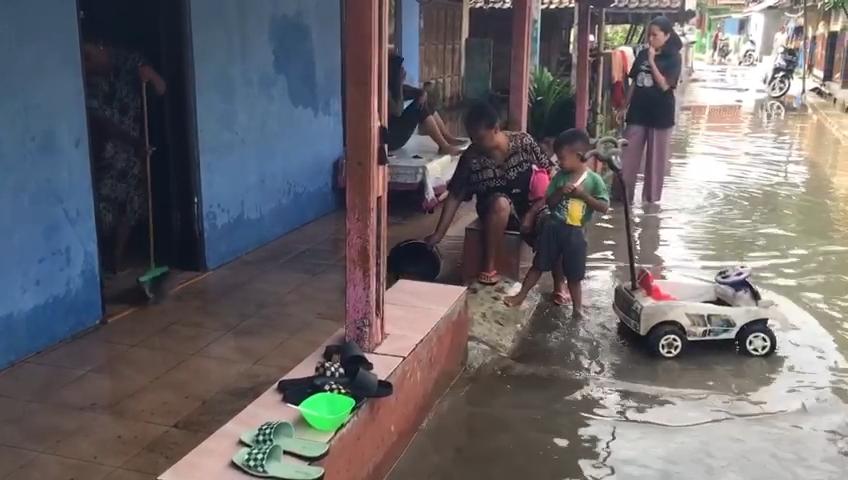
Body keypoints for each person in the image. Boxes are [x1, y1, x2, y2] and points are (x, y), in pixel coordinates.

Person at [425, 103, 556, 286]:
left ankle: (561, 284)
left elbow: (552, 174)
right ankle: (489, 266)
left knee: (556, 224)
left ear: (495, 129)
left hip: (529, 205)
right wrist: (439, 234)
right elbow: (455, 196)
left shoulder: (524, 142)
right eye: (472, 138)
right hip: (492, 208)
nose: (475, 143)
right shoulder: (471, 157)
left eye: (479, 137)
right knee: (501, 203)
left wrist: (533, 212)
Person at [504, 129, 609, 317]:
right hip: (554, 227)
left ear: (578, 156)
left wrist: (582, 195)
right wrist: (560, 191)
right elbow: (550, 203)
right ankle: (521, 295)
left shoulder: (594, 181)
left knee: (575, 276)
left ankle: (577, 309)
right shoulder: (560, 177)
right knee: (538, 265)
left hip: (576, 233)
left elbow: (603, 207)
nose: (558, 162)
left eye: (562, 158)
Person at [83, 40, 167, 272]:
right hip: (108, 154)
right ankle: (102, 259)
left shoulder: (130, 61)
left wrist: (150, 75)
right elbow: (102, 123)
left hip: (134, 153)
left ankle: (117, 257)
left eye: (89, 64)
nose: (86, 71)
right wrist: (137, 143)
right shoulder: (89, 84)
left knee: (135, 204)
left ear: (101, 52)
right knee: (104, 210)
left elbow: (161, 88)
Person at [614, 16, 682, 205]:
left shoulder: (674, 57)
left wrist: (652, 61)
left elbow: (664, 86)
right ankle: (621, 201)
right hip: (637, 113)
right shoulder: (642, 54)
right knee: (626, 158)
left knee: (655, 163)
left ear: (667, 35)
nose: (650, 39)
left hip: (661, 116)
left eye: (655, 35)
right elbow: (635, 82)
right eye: (648, 35)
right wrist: (623, 106)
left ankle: (650, 204)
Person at [388, 53, 463, 155]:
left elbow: (417, 92)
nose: (404, 72)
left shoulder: (393, 86)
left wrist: (422, 93)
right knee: (419, 108)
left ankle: (447, 137)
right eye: (400, 69)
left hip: (395, 133)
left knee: (424, 101)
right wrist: (399, 83)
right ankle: (444, 146)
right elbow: (397, 111)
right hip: (391, 138)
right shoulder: (384, 90)